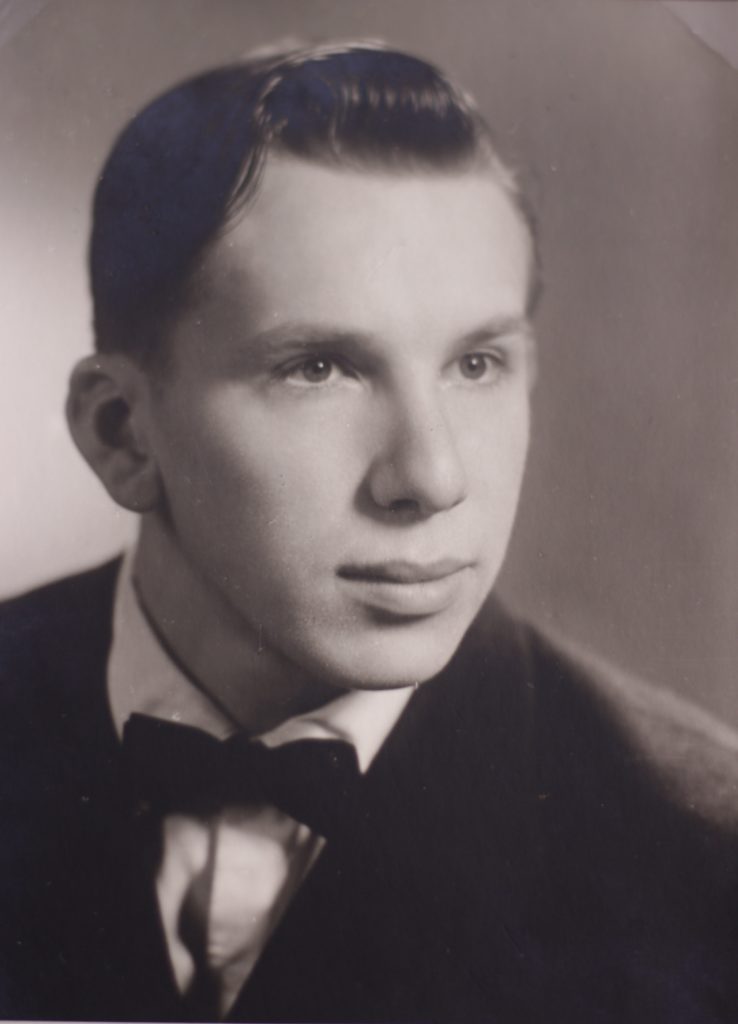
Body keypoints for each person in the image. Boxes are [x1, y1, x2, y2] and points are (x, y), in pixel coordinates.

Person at [1, 40, 737, 1024]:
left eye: (477, 364)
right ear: (121, 433)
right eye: (319, 369)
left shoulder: (703, 863)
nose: (430, 478)